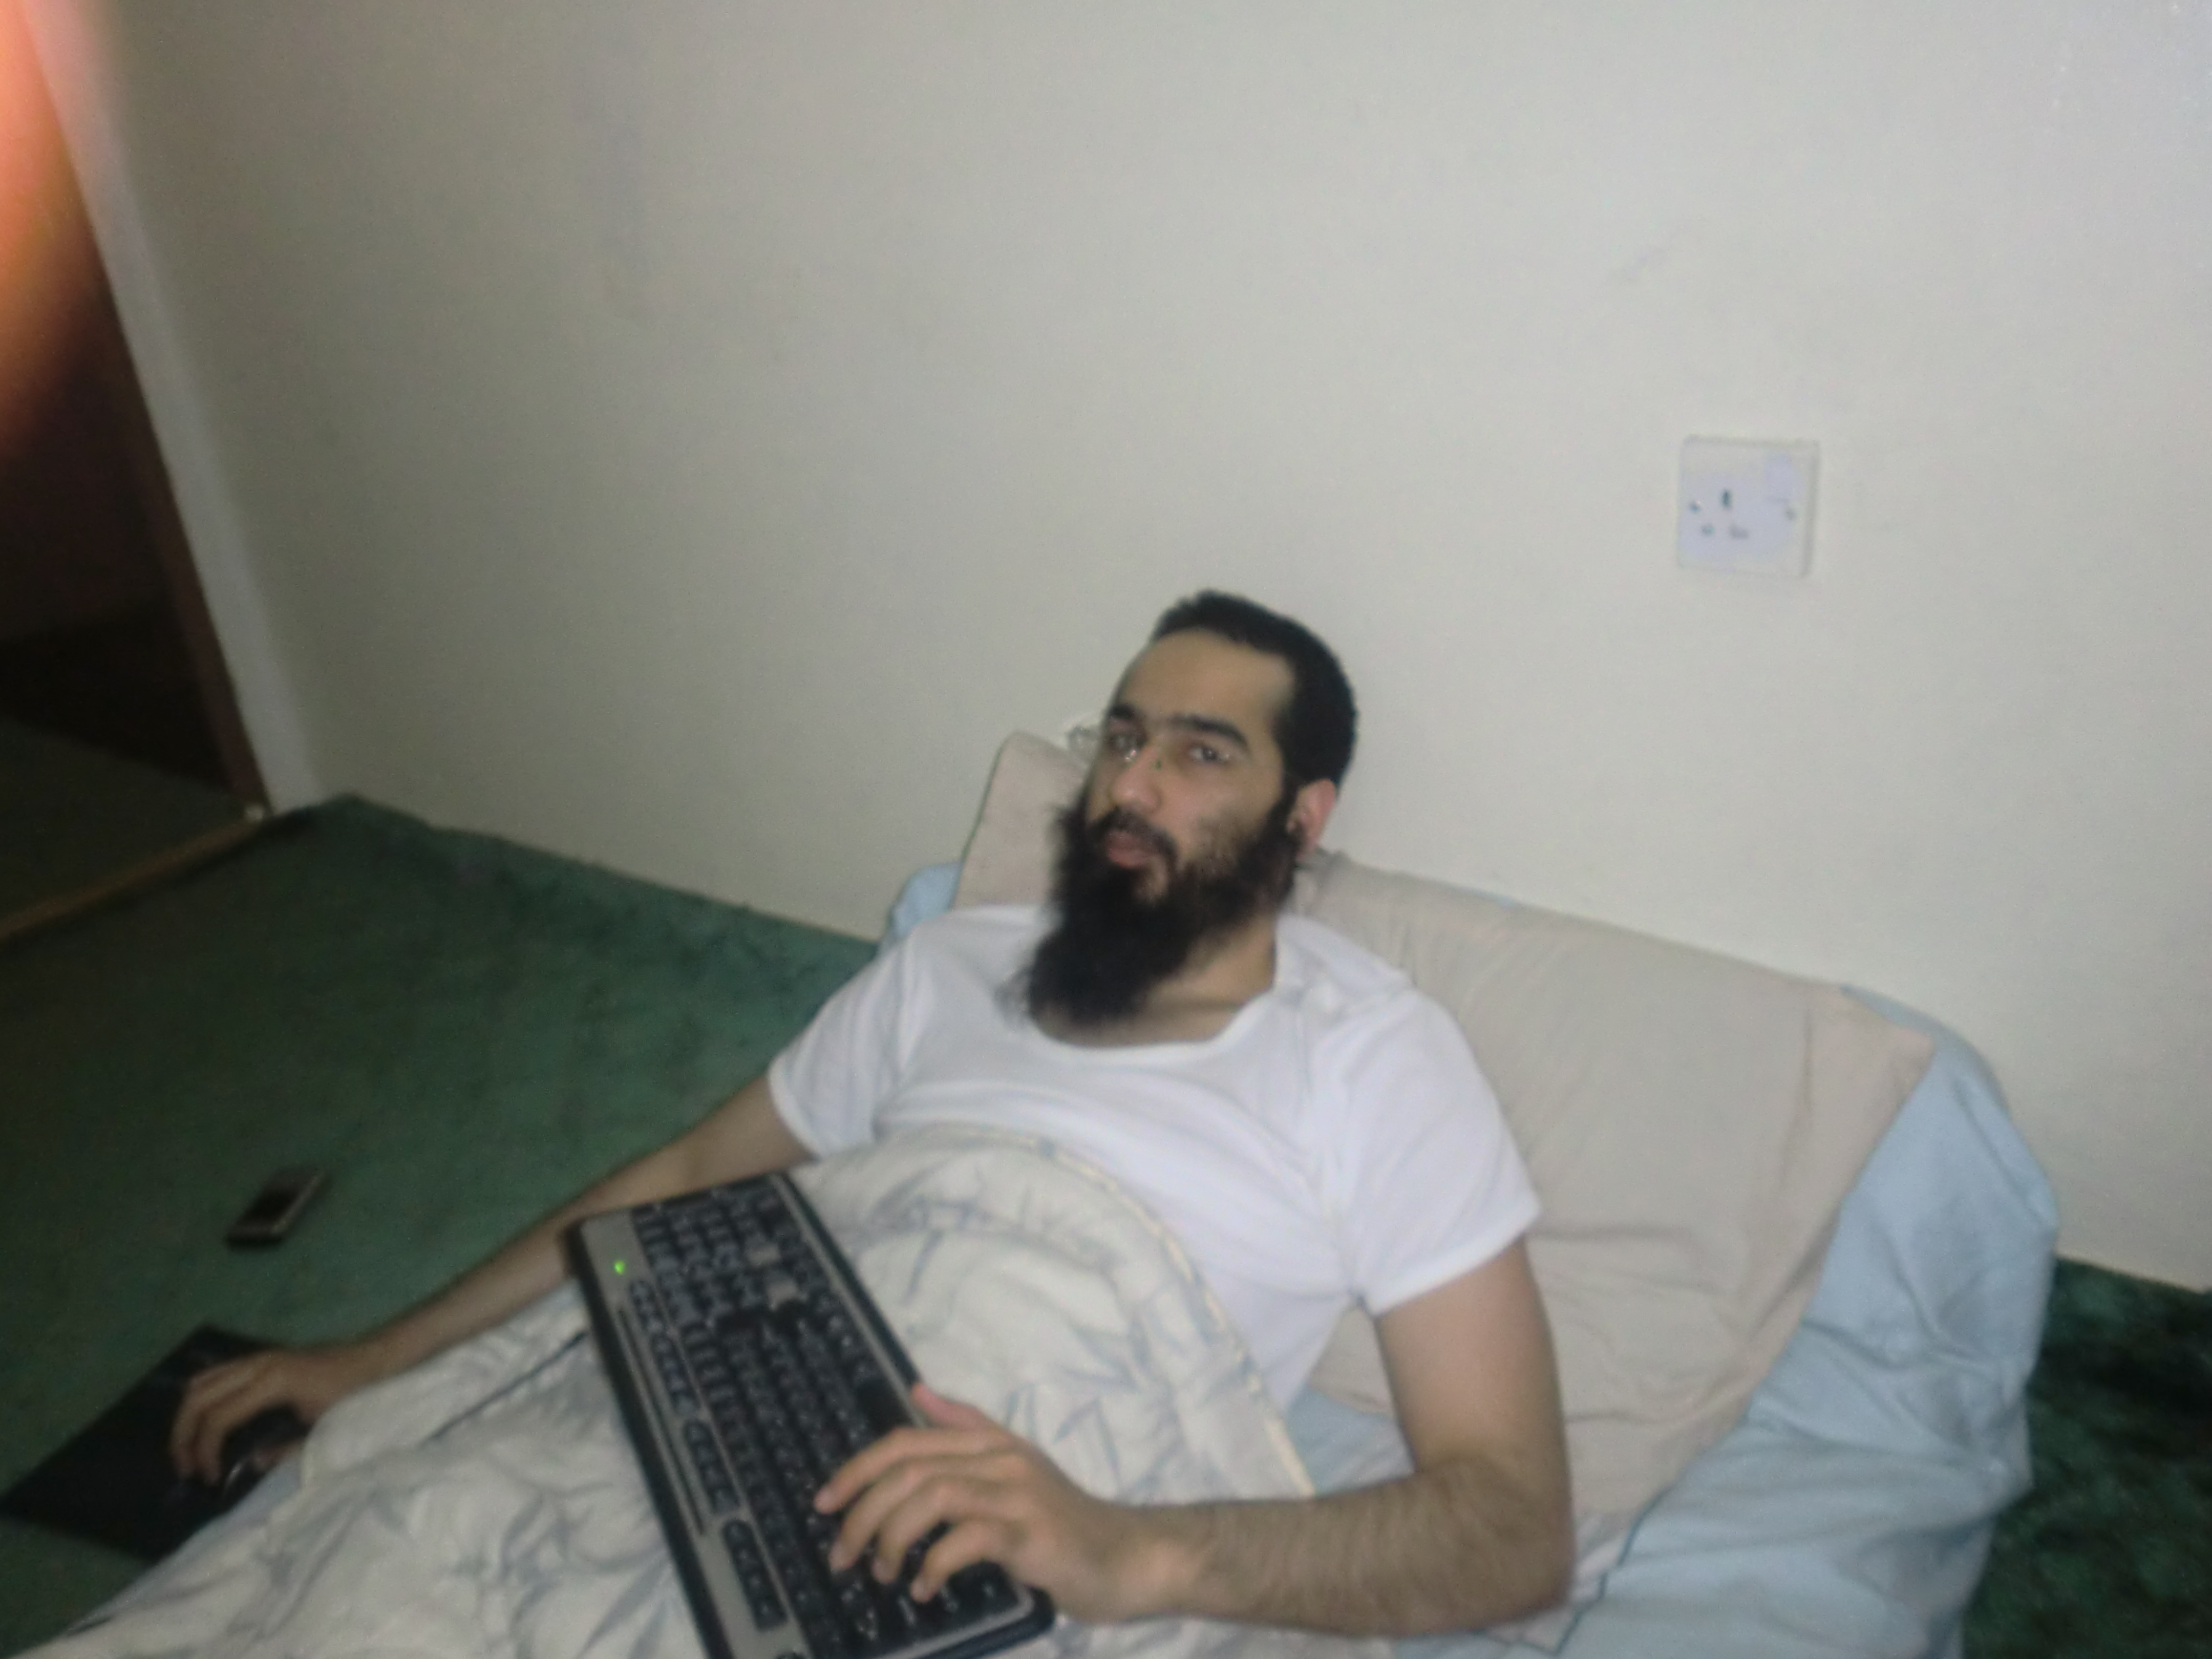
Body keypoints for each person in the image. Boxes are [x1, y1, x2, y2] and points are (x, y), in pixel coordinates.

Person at [172, 591, 1573, 1637]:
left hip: (991, 1536)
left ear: (1303, 819)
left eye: (1203, 755)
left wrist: (1124, 1551)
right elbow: (690, 1170)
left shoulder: (1373, 1062)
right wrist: (375, 1360)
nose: (1133, 786)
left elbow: (1514, 1526)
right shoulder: (951, 965)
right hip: (724, 1430)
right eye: (1123, 738)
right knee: (389, 1558)